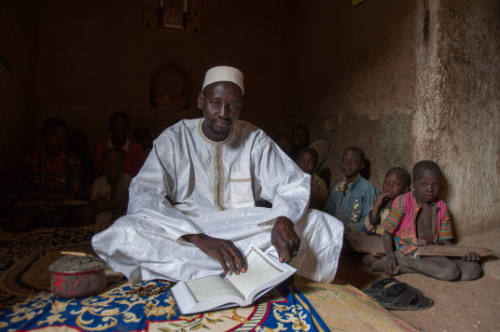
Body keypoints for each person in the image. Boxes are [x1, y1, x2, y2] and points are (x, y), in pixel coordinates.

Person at [92, 66, 344, 284]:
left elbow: (290, 184)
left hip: (243, 227)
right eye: (215, 103)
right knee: (124, 231)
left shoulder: (255, 139)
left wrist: (283, 219)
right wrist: (198, 238)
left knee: (319, 225)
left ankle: (197, 269)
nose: (223, 112)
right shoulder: (176, 138)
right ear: (201, 101)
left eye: (232, 105)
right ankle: (250, 266)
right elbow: (144, 194)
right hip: (189, 228)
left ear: (241, 107)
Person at [373, 161, 482, 281]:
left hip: (434, 250)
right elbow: (387, 234)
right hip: (411, 251)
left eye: (434, 184)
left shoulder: (441, 207)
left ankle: (405, 267)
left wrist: (462, 253)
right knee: (450, 272)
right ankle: (400, 260)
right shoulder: (402, 202)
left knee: (473, 270)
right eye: (424, 184)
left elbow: (445, 242)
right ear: (414, 184)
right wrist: (390, 258)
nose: (430, 189)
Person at [13, 118, 93, 231]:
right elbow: (23, 190)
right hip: (37, 208)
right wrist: (44, 199)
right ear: (44, 137)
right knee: (20, 220)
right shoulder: (32, 160)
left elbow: (75, 190)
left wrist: (58, 202)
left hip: (64, 208)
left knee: (86, 213)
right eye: (55, 136)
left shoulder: (72, 160)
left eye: (64, 137)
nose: (60, 141)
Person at [324, 146, 378, 232]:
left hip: (356, 237)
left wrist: (347, 229)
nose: (348, 164)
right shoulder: (337, 187)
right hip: (334, 233)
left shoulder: (367, 188)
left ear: (361, 165)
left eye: (353, 161)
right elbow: (327, 212)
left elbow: (368, 222)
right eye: (345, 160)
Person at [94, 112, 146, 177]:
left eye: (123, 125)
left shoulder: (136, 149)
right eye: (116, 125)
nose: (120, 128)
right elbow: (97, 174)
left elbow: (143, 174)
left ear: (128, 128)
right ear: (110, 127)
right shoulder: (101, 149)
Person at [364, 167, 411, 235]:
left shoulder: (402, 206)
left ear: (405, 189)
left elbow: (391, 232)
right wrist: (377, 206)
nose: (389, 186)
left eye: (395, 184)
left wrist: (376, 229)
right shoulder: (381, 201)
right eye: (386, 182)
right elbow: (367, 228)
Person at [91, 149, 132, 225]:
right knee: (101, 217)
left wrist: (108, 204)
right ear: (103, 164)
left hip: (125, 221)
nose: (113, 165)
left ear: (122, 164)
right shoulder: (98, 183)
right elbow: (98, 206)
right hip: (103, 223)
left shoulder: (130, 181)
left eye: (117, 162)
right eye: (109, 162)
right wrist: (118, 201)